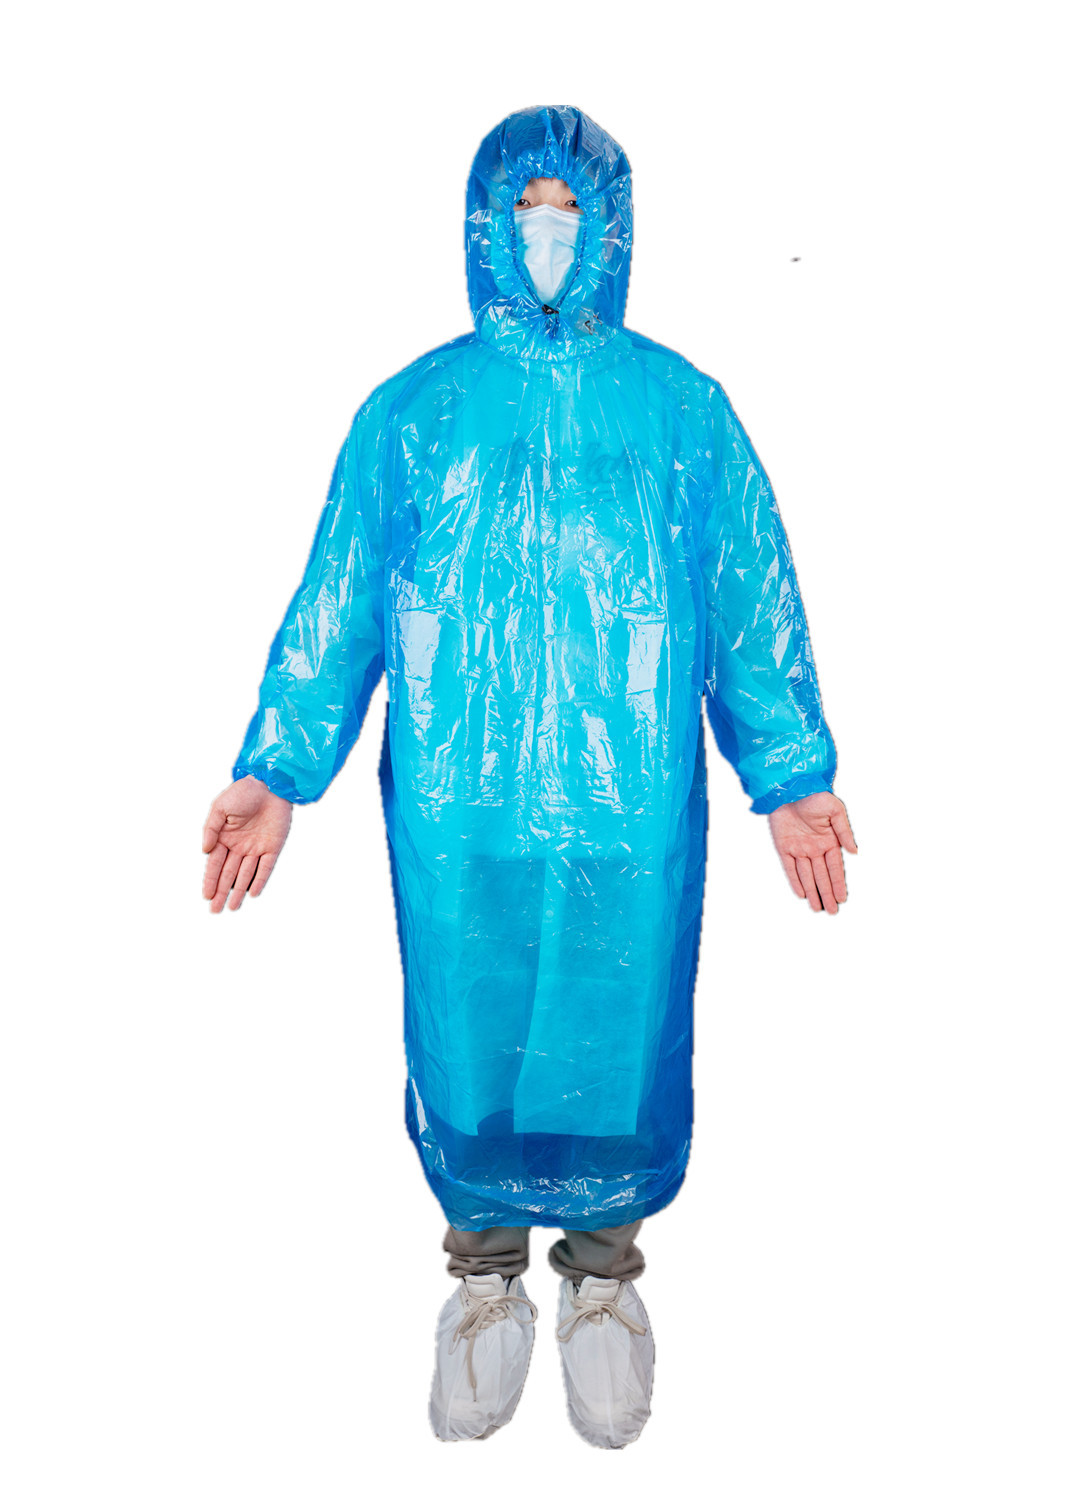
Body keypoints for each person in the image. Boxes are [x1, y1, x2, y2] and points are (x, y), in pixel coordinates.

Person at [201, 105, 857, 1449]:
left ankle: (604, 1278)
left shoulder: (681, 410)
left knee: (618, 1024)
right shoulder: (415, 412)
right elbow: (341, 595)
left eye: (570, 214)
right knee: (472, 1022)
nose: (548, 237)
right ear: (483, 228)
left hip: (630, 803)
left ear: (611, 230)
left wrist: (789, 768)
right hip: (464, 805)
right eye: (526, 212)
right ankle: (485, 1278)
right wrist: (281, 763)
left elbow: (748, 596)